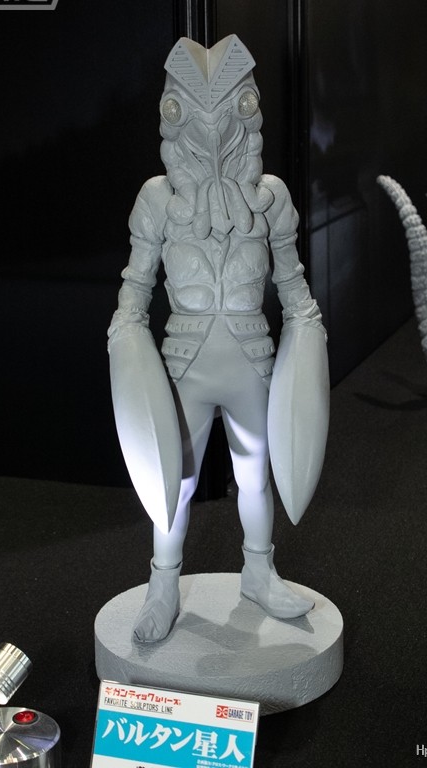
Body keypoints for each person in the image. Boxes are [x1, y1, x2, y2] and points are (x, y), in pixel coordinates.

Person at [108, 35, 328, 643]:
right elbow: (135, 288)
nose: (212, 128)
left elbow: (293, 285)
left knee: (255, 474)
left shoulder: (271, 197)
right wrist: (126, 338)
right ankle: (162, 584)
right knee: (174, 480)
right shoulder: (158, 199)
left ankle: (259, 572)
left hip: (252, 360)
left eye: (231, 107)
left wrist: (308, 330)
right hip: (185, 365)